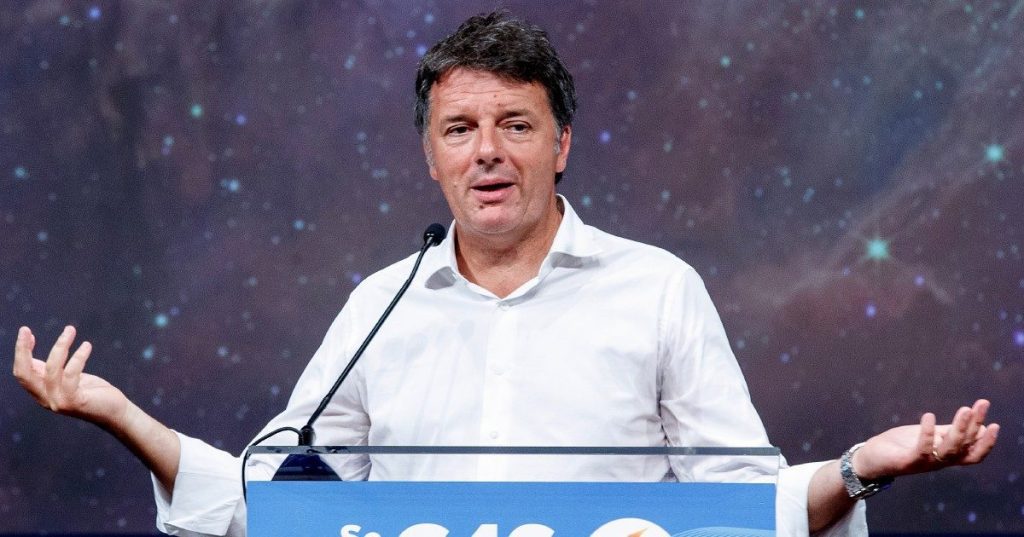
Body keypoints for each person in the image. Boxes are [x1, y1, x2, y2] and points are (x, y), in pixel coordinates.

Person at [12, 11, 998, 537]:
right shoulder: (377, 307)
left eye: (515, 125)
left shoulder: (658, 290)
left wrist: (857, 469)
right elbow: (276, 503)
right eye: (460, 130)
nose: (487, 151)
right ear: (430, 158)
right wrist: (123, 418)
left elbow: (738, 513)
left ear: (560, 145)